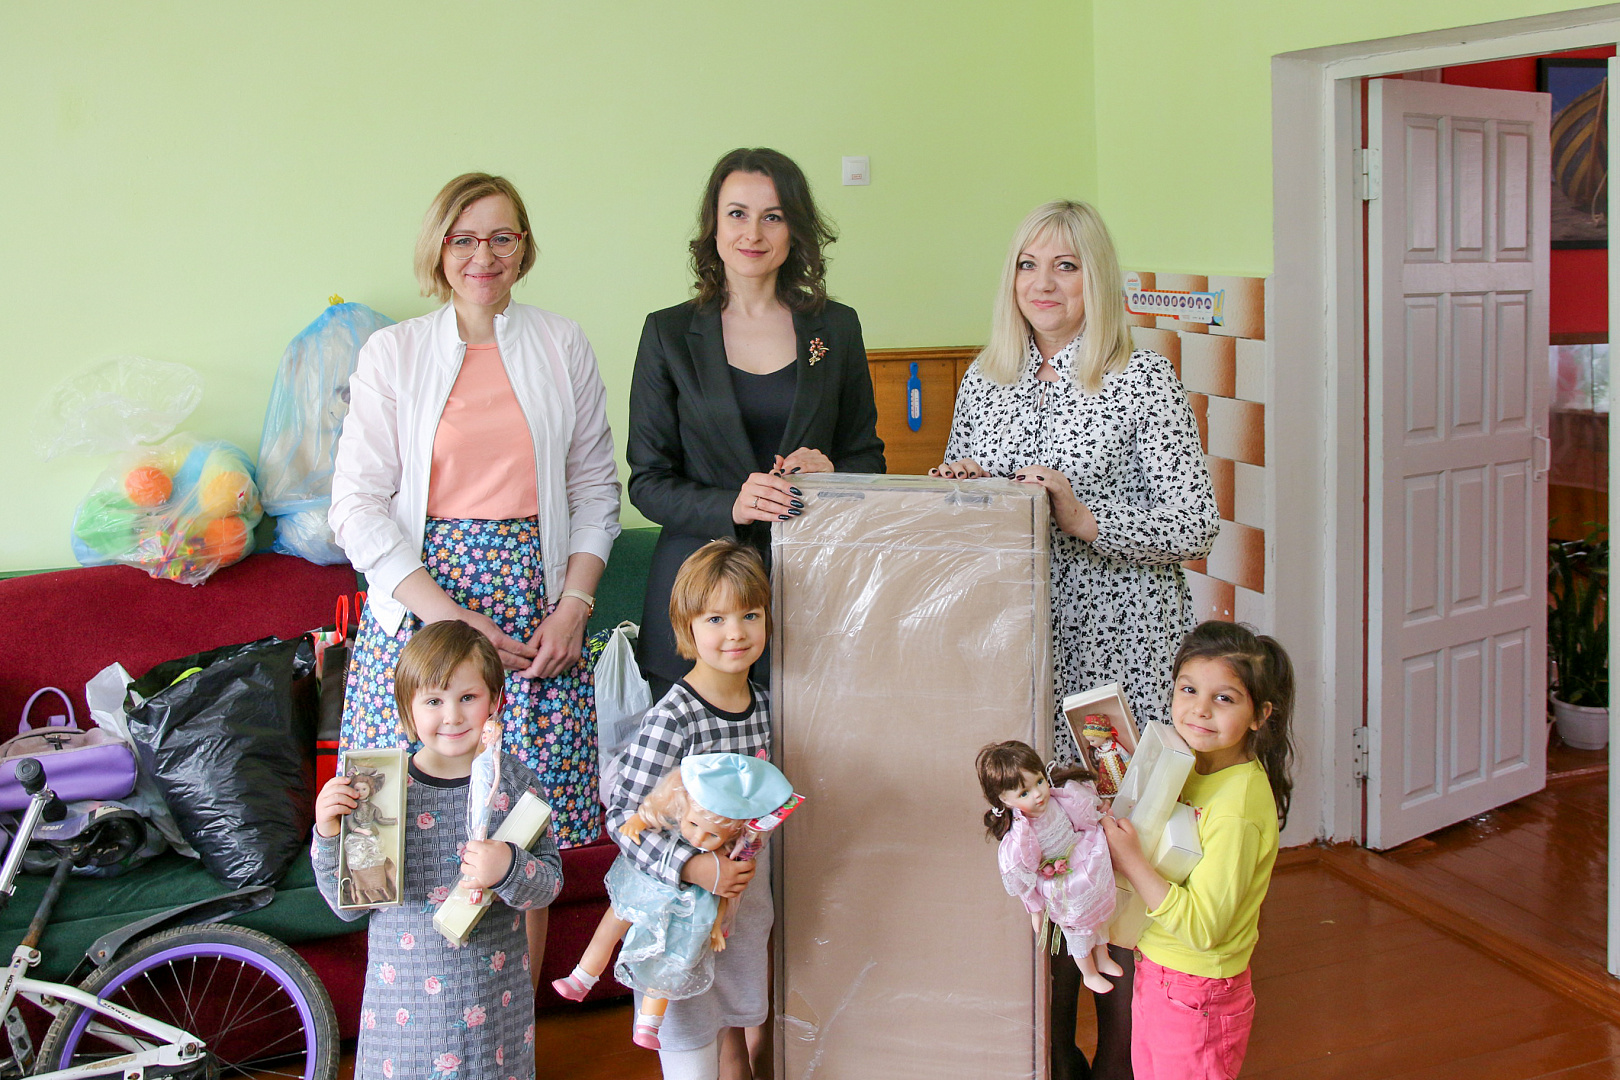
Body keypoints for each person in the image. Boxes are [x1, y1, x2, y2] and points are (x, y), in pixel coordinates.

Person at [934, 199, 1220, 1079]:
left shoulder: (1142, 378)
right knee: (1047, 841)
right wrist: (965, 489)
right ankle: (1052, 1054)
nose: (1044, 283)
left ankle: (1123, 1060)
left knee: (1122, 844)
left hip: (1121, 656)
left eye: (1065, 265)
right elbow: (966, 518)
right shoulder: (986, 379)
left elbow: (1196, 523)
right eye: (1028, 264)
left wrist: (1084, 517)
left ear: (1097, 278)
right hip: (1024, 650)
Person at [329, 172, 620, 976]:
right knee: (387, 838)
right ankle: (404, 1023)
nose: (482, 255)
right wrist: (449, 619)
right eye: (463, 238)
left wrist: (574, 607)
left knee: (519, 843)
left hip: (535, 623)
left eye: (501, 236)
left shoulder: (563, 343)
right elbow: (355, 506)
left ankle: (512, 1032)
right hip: (422, 616)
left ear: (524, 247)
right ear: (438, 249)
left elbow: (596, 490)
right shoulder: (393, 353)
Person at [628, 147, 884, 699]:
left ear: (795, 229)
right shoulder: (668, 334)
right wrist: (733, 506)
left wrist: (831, 472)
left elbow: (869, 458)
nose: (753, 233)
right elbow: (648, 481)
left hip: (811, 596)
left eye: (773, 216)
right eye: (737, 214)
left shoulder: (836, 327)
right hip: (700, 602)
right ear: (714, 226)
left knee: (812, 757)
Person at [313, 620, 564, 1080]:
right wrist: (329, 832)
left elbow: (548, 886)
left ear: (495, 699)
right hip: (403, 1019)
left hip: (494, 1013)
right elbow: (347, 906)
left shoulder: (515, 783)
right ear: (408, 710)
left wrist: (509, 866)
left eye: (468, 697)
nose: (452, 716)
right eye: (433, 701)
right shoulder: (379, 790)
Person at [605, 539, 776, 1080]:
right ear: (687, 626)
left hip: (741, 918)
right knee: (689, 1053)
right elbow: (624, 819)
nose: (736, 632)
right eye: (716, 618)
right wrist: (694, 866)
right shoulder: (673, 717)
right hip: (679, 919)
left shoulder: (768, 707)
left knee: (734, 1034)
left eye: (750, 615)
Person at [1102, 621, 1295, 1080]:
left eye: (1224, 698)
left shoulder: (1237, 809)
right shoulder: (1189, 765)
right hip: (1157, 967)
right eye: (1188, 690)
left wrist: (1131, 859)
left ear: (1259, 715)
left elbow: (1204, 927)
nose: (1200, 710)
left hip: (1199, 990)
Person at [551, 753, 792, 1051]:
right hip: (649, 885)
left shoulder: (721, 857)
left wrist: (717, 927)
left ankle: (650, 1022)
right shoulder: (674, 817)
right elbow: (648, 813)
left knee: (669, 961)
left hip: (689, 906)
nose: (699, 838)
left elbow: (723, 895)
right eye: (693, 824)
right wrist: (637, 820)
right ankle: (582, 976)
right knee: (614, 920)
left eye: (712, 835)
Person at [977, 741, 1119, 993]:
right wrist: (1036, 911)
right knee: (1078, 930)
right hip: (1062, 884)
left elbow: (1082, 816)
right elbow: (1024, 877)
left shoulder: (1061, 798)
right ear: (1004, 800)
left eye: (1040, 781)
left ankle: (1103, 956)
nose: (1038, 794)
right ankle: (1089, 973)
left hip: (1084, 859)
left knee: (1099, 914)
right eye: (1024, 793)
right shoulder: (1020, 837)